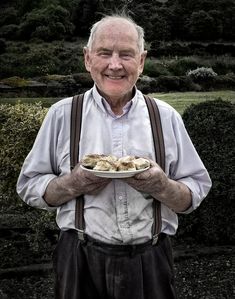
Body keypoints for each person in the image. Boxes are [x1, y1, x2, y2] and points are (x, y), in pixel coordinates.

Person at [17, 14, 212, 299]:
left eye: (127, 55)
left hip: (151, 260)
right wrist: (74, 183)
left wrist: (162, 186)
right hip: (78, 259)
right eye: (104, 53)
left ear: (142, 61)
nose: (115, 64)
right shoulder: (62, 115)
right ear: (87, 58)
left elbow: (194, 193)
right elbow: (29, 186)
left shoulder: (166, 117)